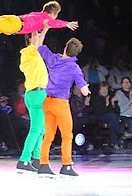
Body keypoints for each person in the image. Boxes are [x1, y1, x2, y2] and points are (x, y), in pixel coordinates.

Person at [35, 20, 90, 177]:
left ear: (66, 48)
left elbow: (38, 45)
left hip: (47, 102)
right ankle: (66, 165)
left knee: (49, 135)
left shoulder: (53, 59)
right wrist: (87, 90)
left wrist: (44, 27)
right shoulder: (74, 67)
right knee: (67, 135)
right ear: (76, 53)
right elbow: (84, 90)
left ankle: (43, 163)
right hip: (60, 104)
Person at [0, 1, 78, 37]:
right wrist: (66, 24)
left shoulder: (38, 14)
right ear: (53, 13)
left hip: (14, 24)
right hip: (16, 25)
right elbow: (54, 23)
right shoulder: (46, 18)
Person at [16, 32, 48, 173]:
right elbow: (38, 38)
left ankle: (36, 158)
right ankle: (24, 159)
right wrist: (40, 27)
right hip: (36, 94)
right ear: (30, 39)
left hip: (37, 93)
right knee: (36, 129)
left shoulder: (33, 53)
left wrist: (46, 27)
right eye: (36, 36)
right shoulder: (30, 51)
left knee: (41, 130)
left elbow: (40, 40)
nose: (39, 38)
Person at [90, 82, 130, 150]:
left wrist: (112, 103)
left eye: (106, 89)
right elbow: (99, 111)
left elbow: (116, 110)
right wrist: (107, 103)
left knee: (112, 121)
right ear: (99, 90)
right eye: (103, 89)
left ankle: (114, 143)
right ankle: (122, 132)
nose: (104, 91)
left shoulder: (111, 97)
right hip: (100, 116)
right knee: (112, 116)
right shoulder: (96, 98)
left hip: (111, 117)